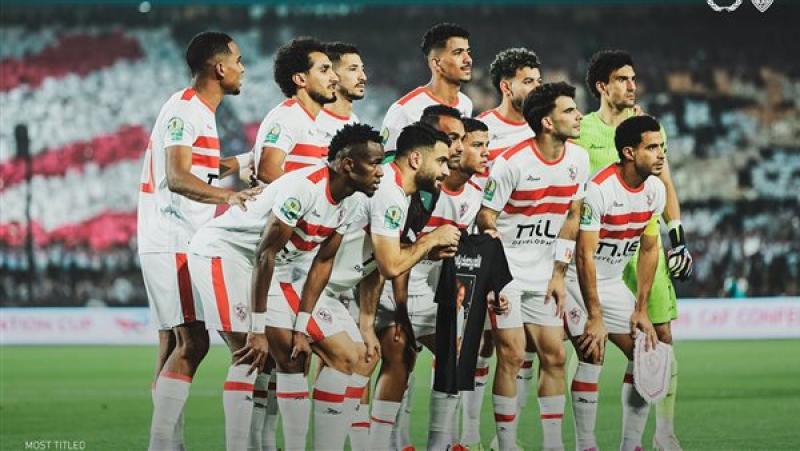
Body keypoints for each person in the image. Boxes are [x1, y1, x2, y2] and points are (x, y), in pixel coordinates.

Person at [189, 123, 385, 450]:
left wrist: (302, 327)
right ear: (349, 164)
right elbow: (265, 253)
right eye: (375, 163)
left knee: (294, 358)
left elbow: (322, 263)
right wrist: (257, 329)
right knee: (249, 352)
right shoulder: (304, 188)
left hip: (270, 268)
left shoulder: (351, 202)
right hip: (225, 253)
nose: (380, 172)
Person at [138, 31, 261, 451]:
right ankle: (162, 443)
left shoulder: (198, 111)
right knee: (193, 341)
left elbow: (200, 170)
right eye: (238, 61)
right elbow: (177, 177)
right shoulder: (186, 109)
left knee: (176, 342)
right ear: (220, 68)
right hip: (174, 237)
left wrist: (241, 163)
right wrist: (230, 197)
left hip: (175, 237)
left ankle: (168, 442)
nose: (243, 68)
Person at [574, 49, 692, 450]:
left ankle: (661, 433)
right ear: (602, 86)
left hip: (639, 242)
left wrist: (678, 237)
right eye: (622, 79)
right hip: (593, 248)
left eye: (633, 78)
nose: (632, 86)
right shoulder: (582, 129)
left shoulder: (648, 130)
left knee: (659, 339)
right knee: (584, 348)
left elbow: (665, 184)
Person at [477, 82, 590, 451]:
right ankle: (506, 445)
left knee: (555, 356)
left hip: (544, 275)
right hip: (507, 272)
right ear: (547, 122)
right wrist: (495, 277)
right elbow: (485, 216)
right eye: (569, 110)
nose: (579, 116)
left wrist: (559, 274)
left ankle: (553, 445)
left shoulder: (579, 159)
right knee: (510, 355)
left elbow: (572, 216)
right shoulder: (511, 163)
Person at [373, 115, 489, 451]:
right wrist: (401, 311)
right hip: (384, 281)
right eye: (452, 139)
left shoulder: (452, 191)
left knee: (454, 352)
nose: (456, 148)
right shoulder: (397, 186)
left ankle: (440, 443)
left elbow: (411, 246)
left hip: (417, 282)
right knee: (389, 357)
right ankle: (391, 442)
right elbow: (396, 257)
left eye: (461, 139)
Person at [565, 115, 667, 451]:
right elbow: (584, 255)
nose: (660, 155)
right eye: (652, 148)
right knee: (592, 352)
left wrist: (641, 309)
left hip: (611, 281)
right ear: (629, 152)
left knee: (647, 352)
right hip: (575, 279)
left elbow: (649, 248)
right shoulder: (599, 189)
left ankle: (631, 444)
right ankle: (586, 444)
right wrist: (595, 315)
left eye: (662, 148)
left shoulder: (655, 190)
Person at [466, 47, 543, 448]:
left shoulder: (542, 130)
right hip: (488, 247)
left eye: (538, 80)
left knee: (526, 348)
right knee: (481, 342)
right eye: (528, 81)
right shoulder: (484, 129)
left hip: (534, 253)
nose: (536, 87)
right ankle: (468, 434)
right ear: (506, 86)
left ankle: (502, 439)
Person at [381, 23, 473, 160]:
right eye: (458, 53)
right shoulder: (404, 110)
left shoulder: (466, 103)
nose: (468, 59)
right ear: (436, 63)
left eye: (468, 52)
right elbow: (386, 162)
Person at [253, 37, 339, 183]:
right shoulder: (289, 116)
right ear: (300, 79)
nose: (335, 78)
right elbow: (267, 170)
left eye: (332, 70)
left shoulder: (305, 118)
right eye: (324, 70)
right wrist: (304, 196)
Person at [316, 42, 366, 143]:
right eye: (353, 69)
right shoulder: (313, 125)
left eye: (362, 69)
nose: (363, 77)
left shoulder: (354, 121)